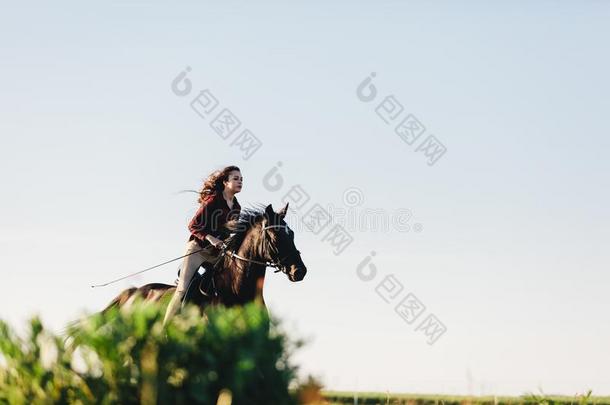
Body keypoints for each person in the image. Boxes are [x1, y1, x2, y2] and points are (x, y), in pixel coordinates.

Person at [163, 165, 242, 327]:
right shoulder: (213, 200)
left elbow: (227, 231)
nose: (240, 181)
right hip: (197, 249)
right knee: (183, 289)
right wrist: (211, 238)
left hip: (216, 254)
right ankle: (165, 328)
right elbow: (193, 225)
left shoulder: (237, 207)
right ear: (225, 182)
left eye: (241, 179)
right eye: (236, 179)